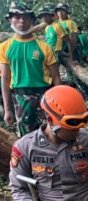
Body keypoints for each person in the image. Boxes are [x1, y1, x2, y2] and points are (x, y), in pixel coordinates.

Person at [0, 1, 61, 135]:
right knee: (26, 137)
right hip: (20, 97)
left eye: (26, 17)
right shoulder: (5, 47)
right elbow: (5, 78)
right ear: (10, 19)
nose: (22, 21)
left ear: (32, 20)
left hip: (44, 95)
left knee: (50, 133)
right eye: (17, 17)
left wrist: (59, 103)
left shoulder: (44, 47)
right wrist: (8, 109)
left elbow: (56, 77)